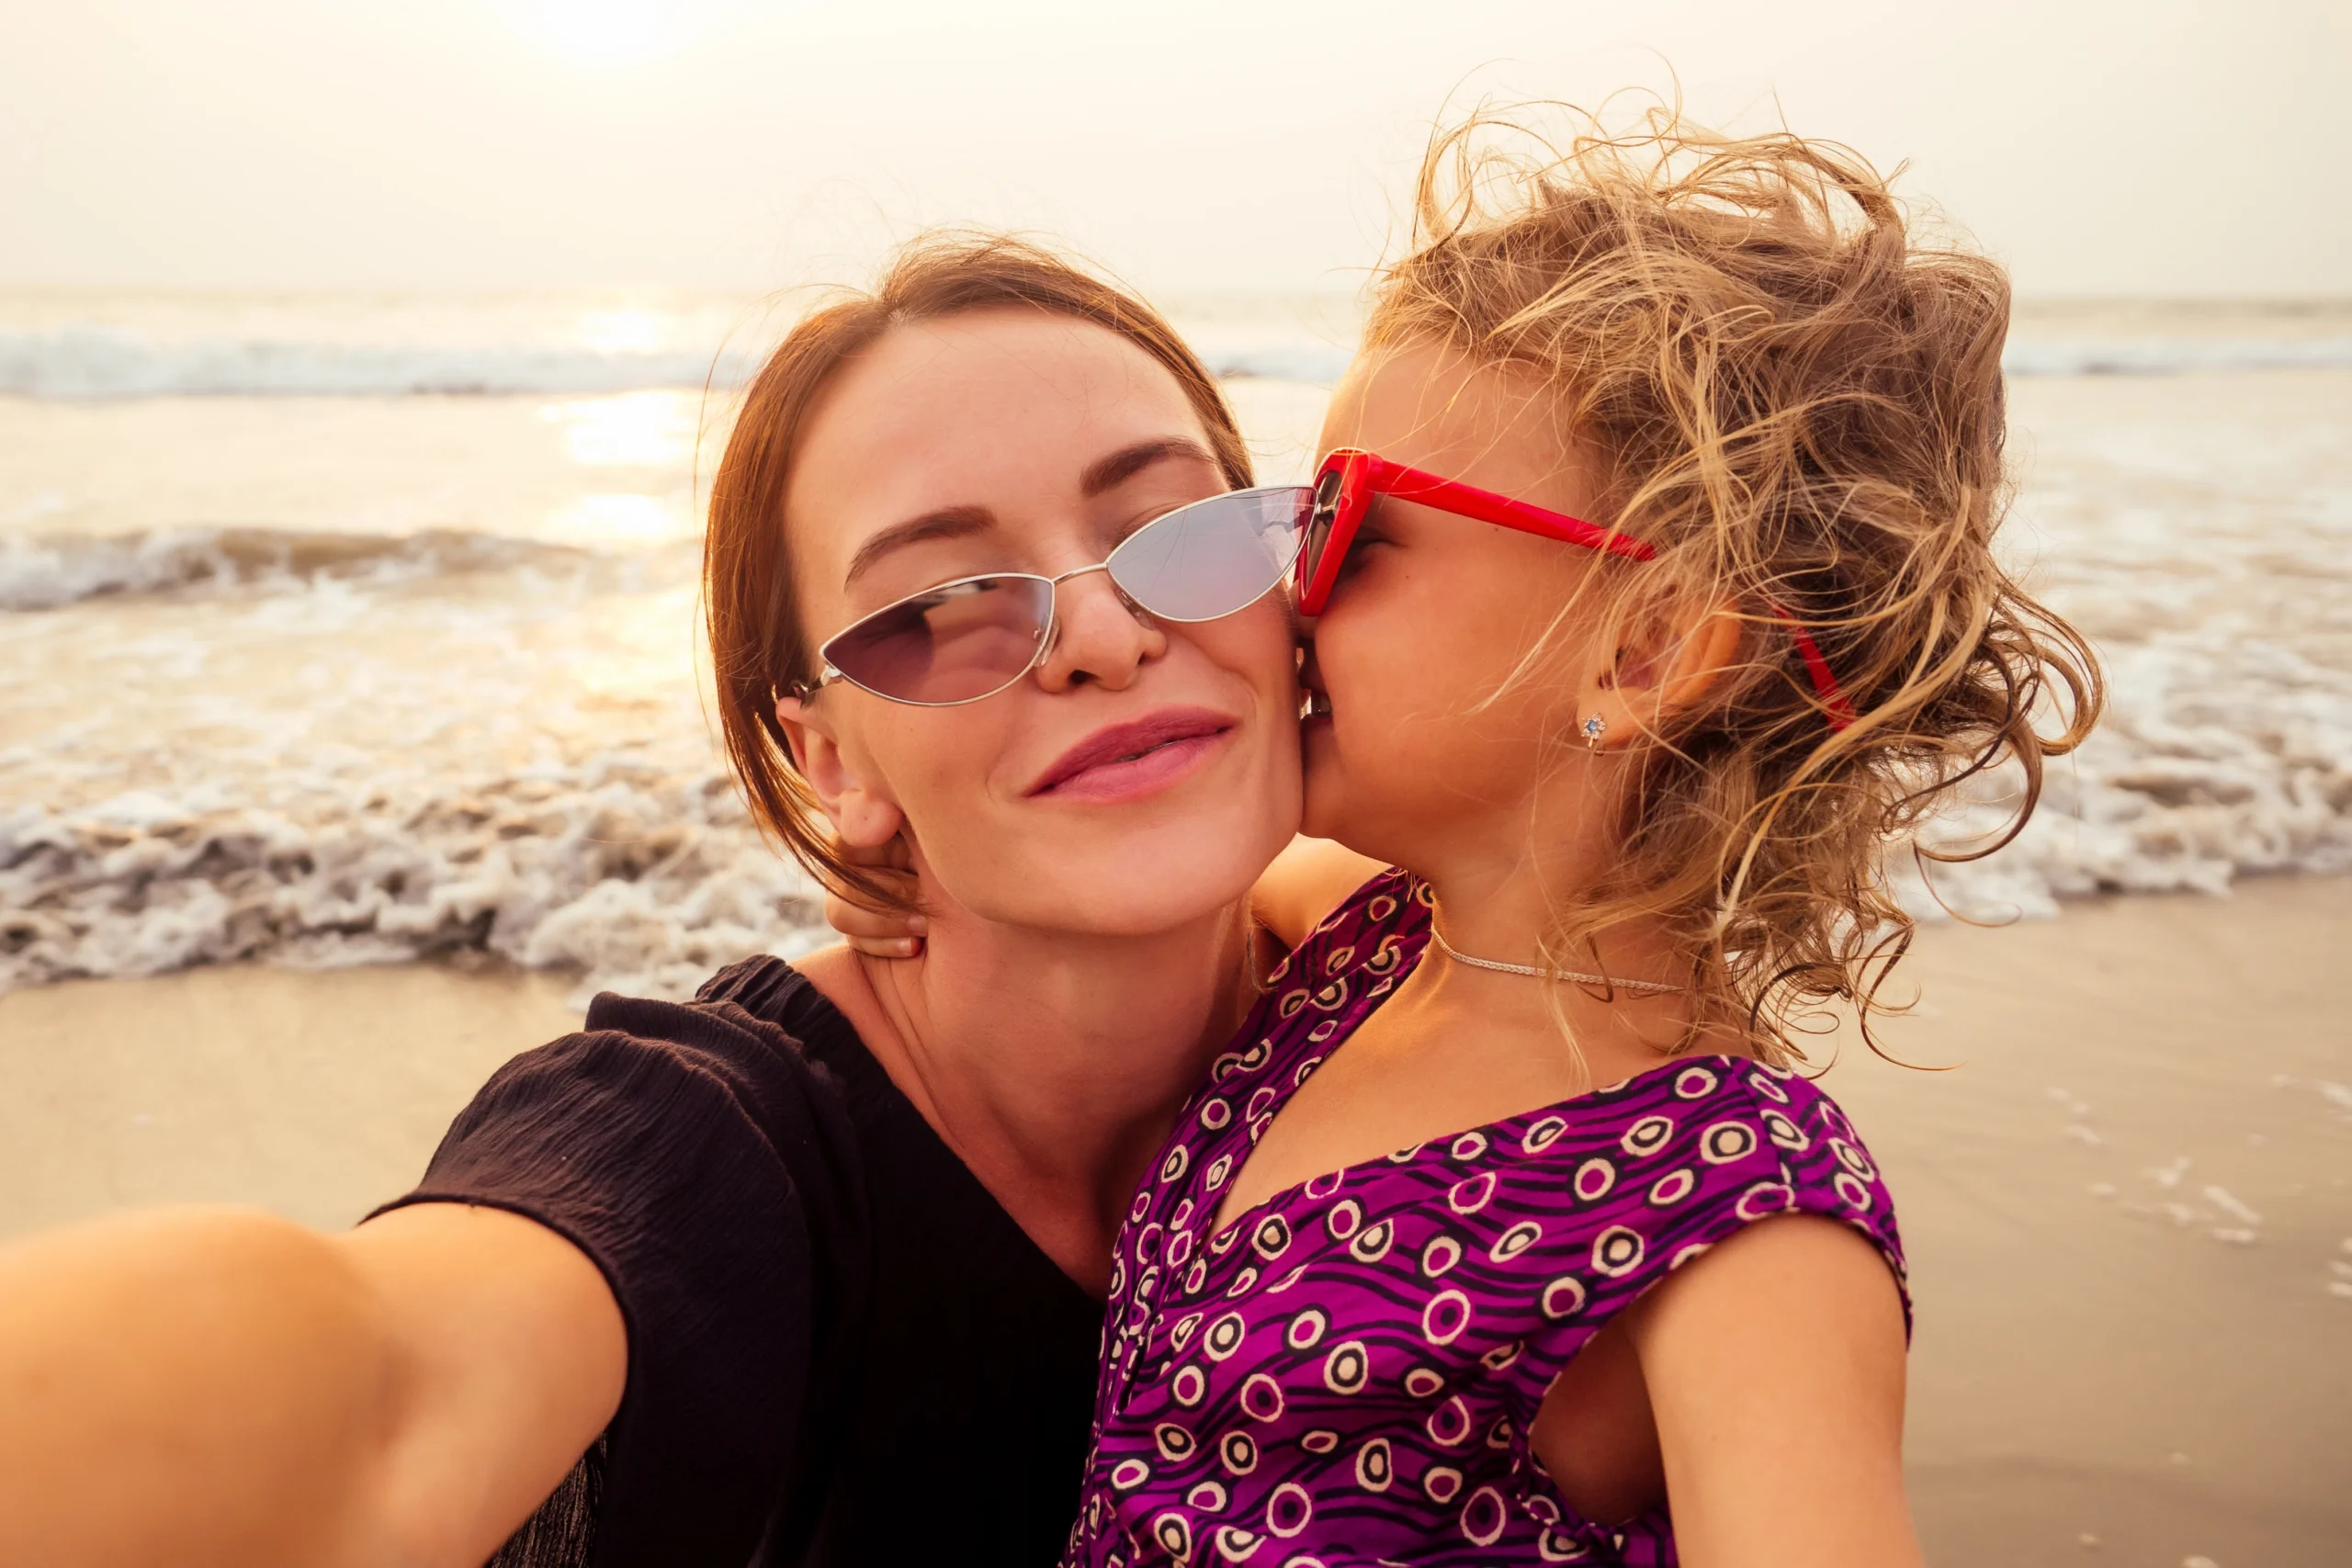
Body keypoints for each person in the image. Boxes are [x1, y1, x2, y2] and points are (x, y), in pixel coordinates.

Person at [0, 237, 1319, 1568]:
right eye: (944, 603)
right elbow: (377, 1394)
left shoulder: (1444, 1003)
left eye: (1176, 531)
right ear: (835, 760)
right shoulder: (712, 1139)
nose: (1104, 637)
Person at [1045, 109, 2103, 1566]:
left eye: (1354, 527)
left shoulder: (1739, 1209)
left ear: (1648, 644)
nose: (1290, 593)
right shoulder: (1362, 938)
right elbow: (1133, 879)